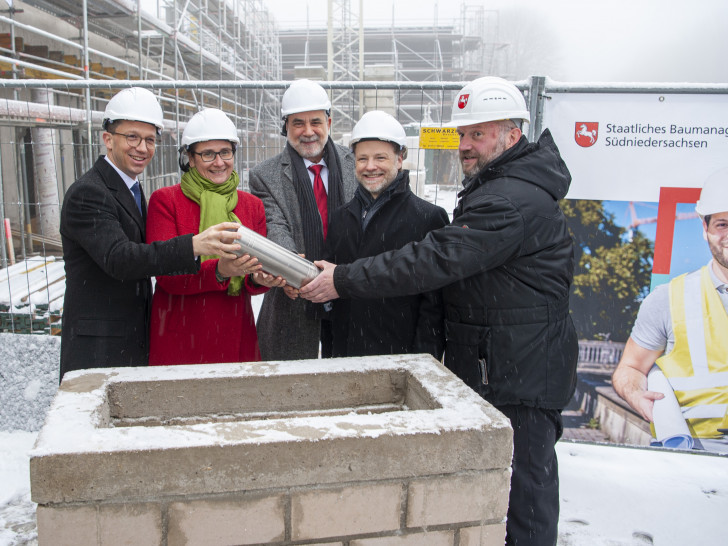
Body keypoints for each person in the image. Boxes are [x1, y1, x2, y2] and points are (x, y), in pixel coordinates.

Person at [301, 76, 578, 546]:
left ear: (513, 135)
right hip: (507, 364)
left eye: (478, 133)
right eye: (461, 134)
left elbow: (432, 260)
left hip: (520, 375)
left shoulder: (509, 200)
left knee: (524, 502)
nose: (465, 145)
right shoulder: (501, 186)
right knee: (503, 493)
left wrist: (343, 278)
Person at [60, 88, 241, 380]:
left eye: (149, 140)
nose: (141, 148)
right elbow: (120, 258)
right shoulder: (89, 193)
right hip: (99, 344)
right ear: (108, 139)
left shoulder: (129, 187)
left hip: (130, 334)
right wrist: (194, 245)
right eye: (132, 137)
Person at [146, 108, 284, 365]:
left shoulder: (251, 205)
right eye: (208, 154)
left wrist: (260, 277)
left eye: (225, 152)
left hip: (234, 328)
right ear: (190, 157)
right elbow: (165, 275)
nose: (219, 162)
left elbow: (253, 281)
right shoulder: (166, 201)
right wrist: (220, 270)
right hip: (181, 332)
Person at [612, 171, 728, 453]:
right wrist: (636, 393)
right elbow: (630, 368)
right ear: (705, 227)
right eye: (723, 224)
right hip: (690, 452)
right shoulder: (669, 299)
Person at [325, 111, 449, 359]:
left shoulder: (428, 218)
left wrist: (424, 360)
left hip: (398, 355)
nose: (370, 167)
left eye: (380, 157)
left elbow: (434, 307)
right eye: (362, 159)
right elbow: (331, 290)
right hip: (344, 353)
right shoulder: (340, 218)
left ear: (400, 159)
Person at [249, 79, 357, 360]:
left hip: (350, 296)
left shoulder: (356, 164)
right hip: (293, 298)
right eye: (298, 123)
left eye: (315, 122)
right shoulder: (265, 175)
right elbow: (276, 228)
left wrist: (342, 279)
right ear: (286, 127)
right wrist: (297, 275)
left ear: (329, 123)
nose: (308, 131)